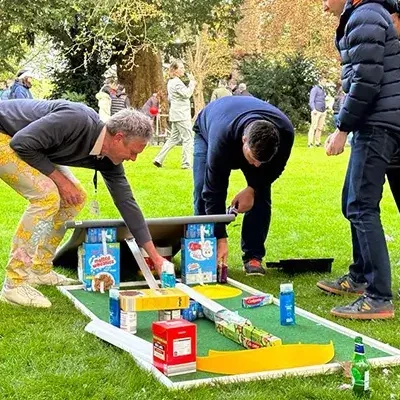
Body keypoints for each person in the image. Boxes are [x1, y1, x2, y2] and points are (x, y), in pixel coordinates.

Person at [0, 100, 171, 308]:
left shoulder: (108, 160)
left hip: (31, 146)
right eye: (133, 152)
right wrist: (60, 182)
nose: (133, 159)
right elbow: (21, 143)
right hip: (6, 135)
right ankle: (14, 284)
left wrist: (155, 257)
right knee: (47, 196)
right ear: (118, 138)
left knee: (75, 198)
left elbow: (127, 203)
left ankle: (39, 269)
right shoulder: (75, 120)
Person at [317, 0, 400, 319]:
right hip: (383, 121)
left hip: (377, 124)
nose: (324, 5)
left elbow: (366, 81)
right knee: (351, 201)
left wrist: (342, 129)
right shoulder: (368, 15)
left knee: (361, 206)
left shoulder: (364, 16)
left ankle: (378, 296)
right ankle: (359, 276)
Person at [193, 96, 294, 275]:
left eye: (262, 161)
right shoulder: (221, 139)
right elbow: (213, 191)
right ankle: (204, 253)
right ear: (244, 140)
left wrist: (253, 188)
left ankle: (253, 257)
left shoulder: (285, 132)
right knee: (202, 191)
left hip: (239, 125)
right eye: (254, 159)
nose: (256, 166)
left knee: (261, 194)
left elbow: (276, 169)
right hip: (208, 128)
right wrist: (221, 237)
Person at [153, 60, 196, 169]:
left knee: (174, 138)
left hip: (176, 113)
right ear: (175, 70)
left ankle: (158, 158)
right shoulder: (176, 82)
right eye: (180, 68)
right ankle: (186, 163)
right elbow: (186, 94)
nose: (183, 70)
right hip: (181, 114)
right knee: (188, 138)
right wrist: (192, 83)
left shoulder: (171, 82)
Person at [307, 78, 327, 147]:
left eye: (325, 81)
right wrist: (313, 109)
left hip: (323, 111)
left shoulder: (323, 90)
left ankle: (317, 142)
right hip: (316, 111)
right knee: (313, 127)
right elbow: (311, 100)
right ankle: (310, 143)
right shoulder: (315, 89)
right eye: (323, 81)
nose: (325, 83)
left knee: (320, 128)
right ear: (320, 81)